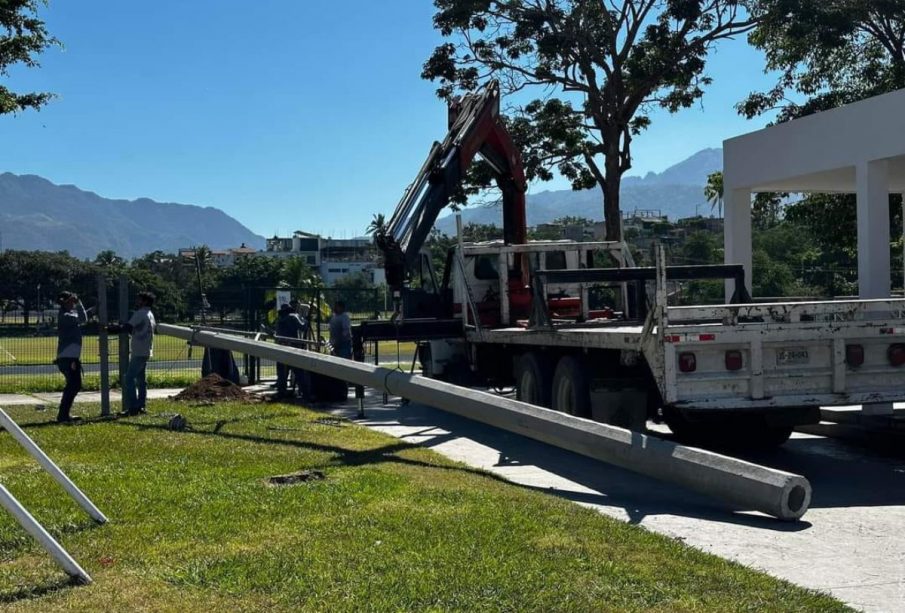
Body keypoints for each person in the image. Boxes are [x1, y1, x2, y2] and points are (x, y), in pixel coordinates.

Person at [111, 291, 156, 416]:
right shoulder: (150, 314)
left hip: (139, 351)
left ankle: (133, 407)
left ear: (145, 301)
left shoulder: (140, 313)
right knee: (141, 380)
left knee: (128, 378)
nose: (137, 302)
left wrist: (112, 328)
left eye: (139, 300)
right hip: (146, 350)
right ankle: (141, 405)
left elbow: (127, 327)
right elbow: (135, 330)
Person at [55, 291, 87, 424]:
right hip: (68, 358)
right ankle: (63, 416)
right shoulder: (65, 316)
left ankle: (64, 414)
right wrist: (79, 303)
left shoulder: (68, 315)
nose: (73, 303)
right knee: (74, 385)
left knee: (73, 385)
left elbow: (84, 315)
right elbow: (83, 319)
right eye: (71, 301)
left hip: (70, 356)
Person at [275, 302, 307, 398]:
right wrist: (306, 320)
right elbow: (303, 327)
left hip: (281, 348)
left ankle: (281, 392)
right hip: (292, 348)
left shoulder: (279, 321)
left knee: (282, 373)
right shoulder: (293, 317)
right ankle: (305, 392)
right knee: (298, 371)